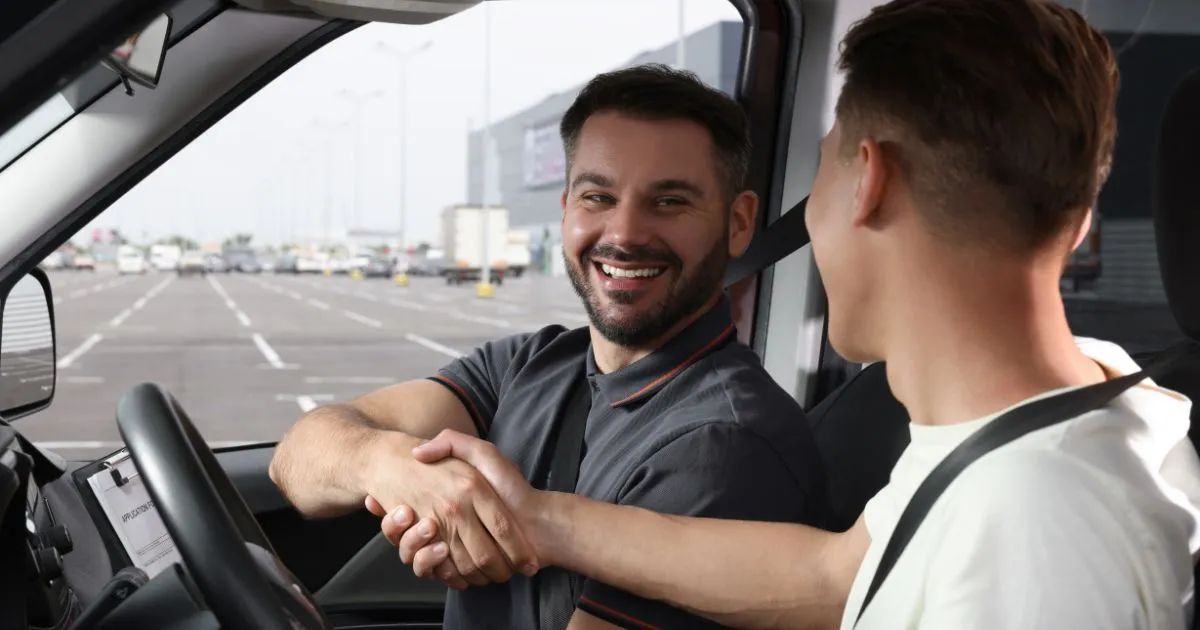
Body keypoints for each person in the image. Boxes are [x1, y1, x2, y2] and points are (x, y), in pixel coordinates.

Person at [374, 1, 1200, 628]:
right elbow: (830, 576)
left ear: (867, 179)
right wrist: (538, 519)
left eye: (821, 167)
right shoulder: (1075, 401)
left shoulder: (1033, 520)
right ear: (1078, 220)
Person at [269, 63, 829, 629]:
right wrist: (399, 472)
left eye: (668, 202)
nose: (624, 233)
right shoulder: (529, 363)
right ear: (566, 210)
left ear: (738, 223)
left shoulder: (725, 444)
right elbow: (298, 462)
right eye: (598, 196)